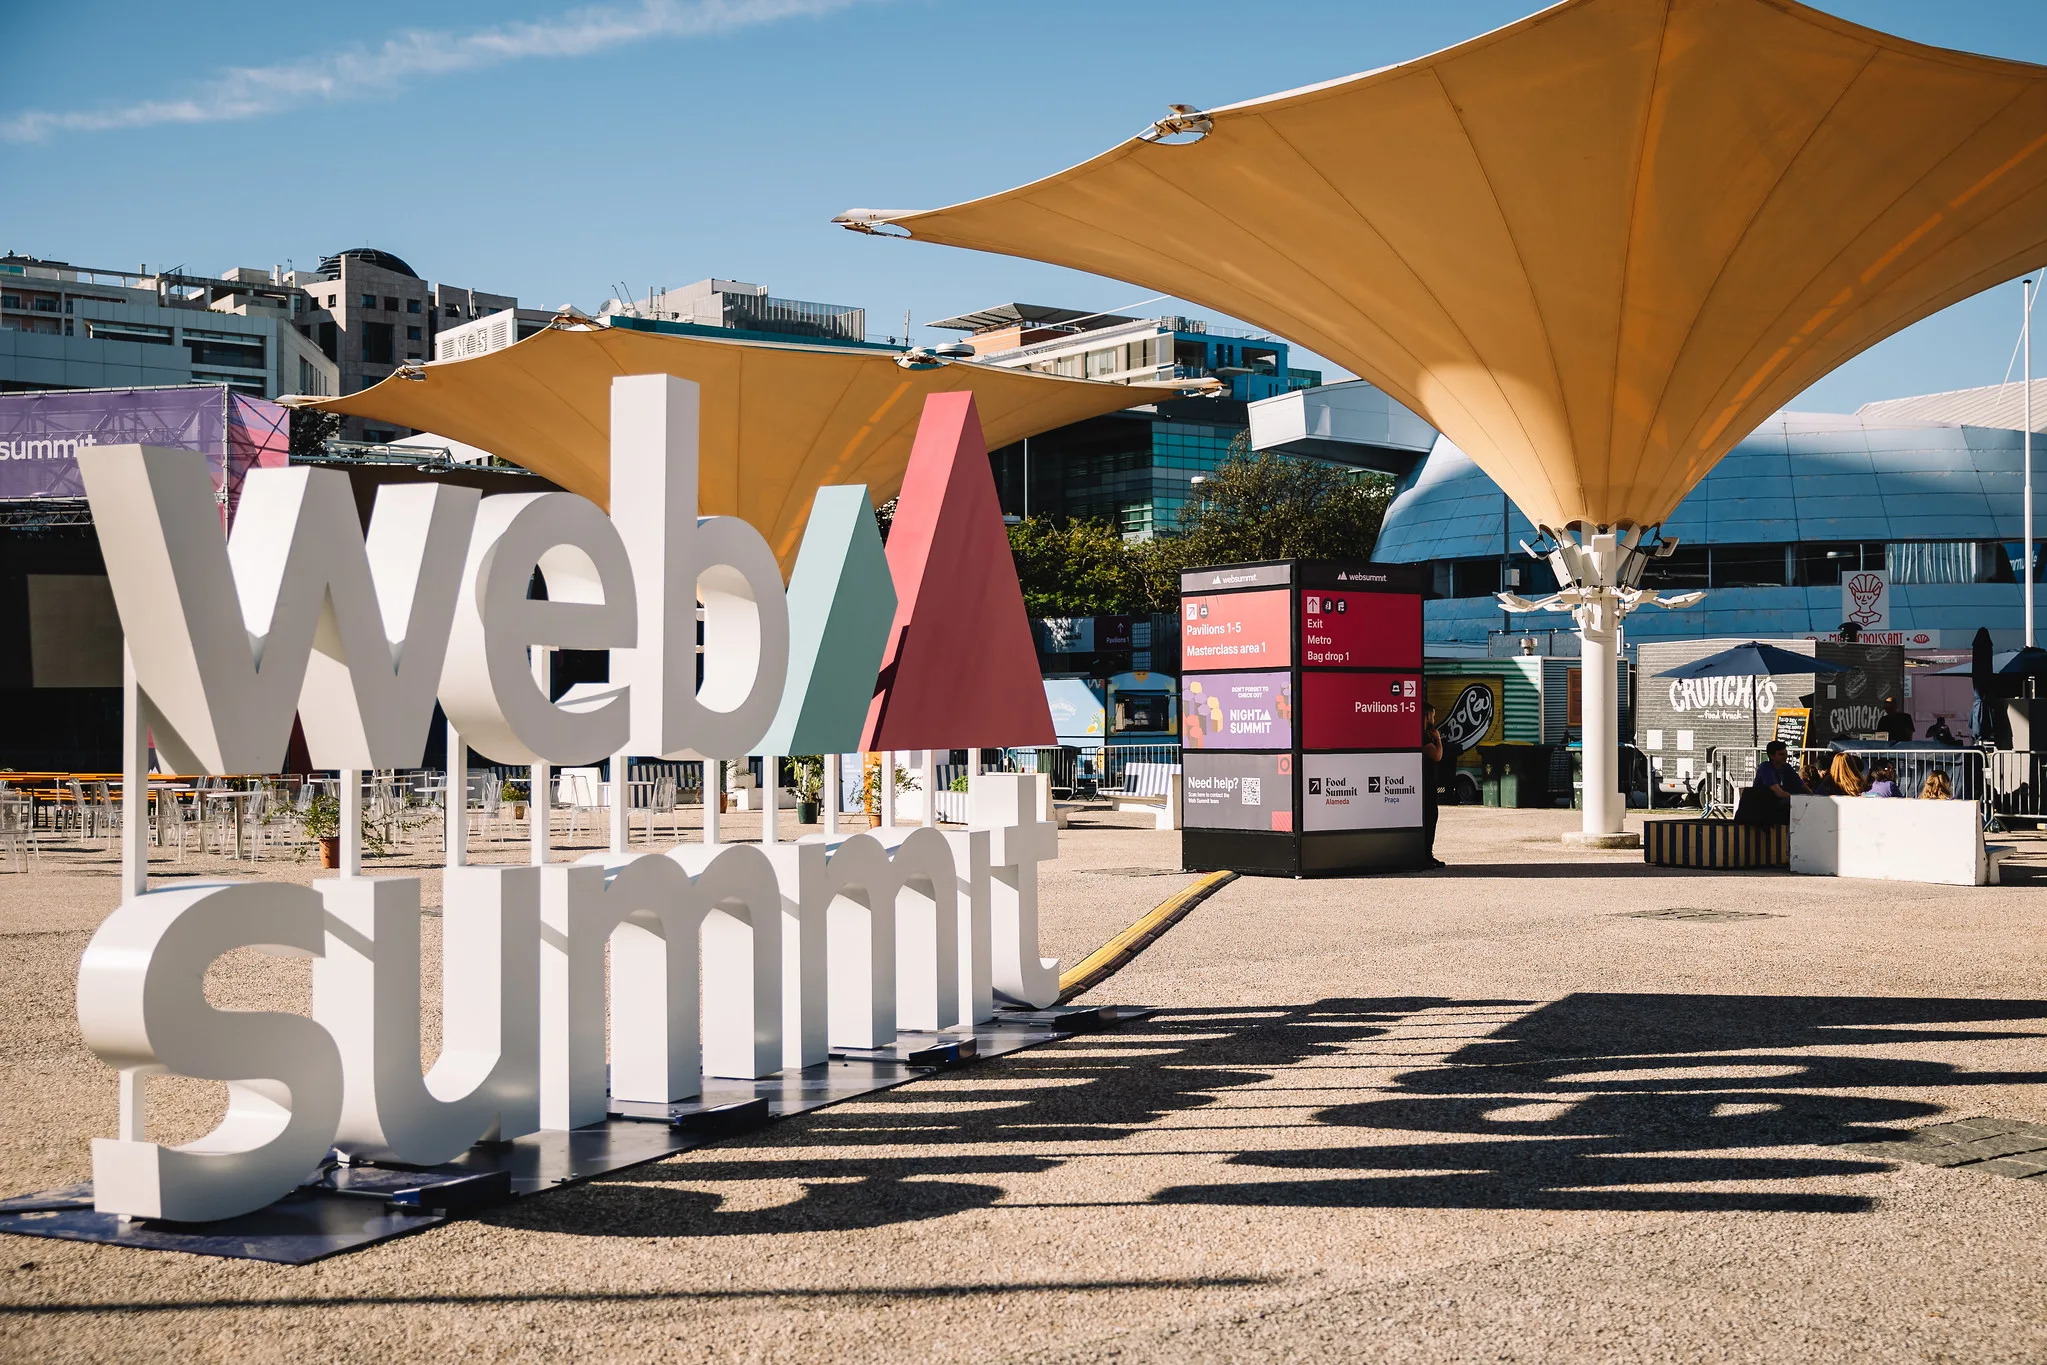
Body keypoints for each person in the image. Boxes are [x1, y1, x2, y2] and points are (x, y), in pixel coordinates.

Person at [1744, 740, 1806, 823]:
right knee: (1792, 804)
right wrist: (1800, 799)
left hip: (1775, 804)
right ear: (1771, 756)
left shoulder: (1786, 768)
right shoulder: (1765, 768)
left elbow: (1801, 785)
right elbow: (1779, 793)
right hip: (1761, 807)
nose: (1785, 757)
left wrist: (1813, 797)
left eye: (1786, 753)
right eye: (1781, 754)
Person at [1420, 704, 1446, 869]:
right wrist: (1438, 740)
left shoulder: (1424, 735)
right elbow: (1436, 755)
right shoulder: (1424, 737)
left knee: (1431, 819)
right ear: (1427, 716)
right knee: (1429, 819)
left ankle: (1428, 854)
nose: (1434, 720)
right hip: (1425, 786)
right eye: (1433, 716)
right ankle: (1425, 855)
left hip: (1428, 784)